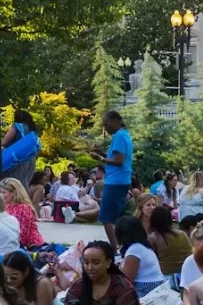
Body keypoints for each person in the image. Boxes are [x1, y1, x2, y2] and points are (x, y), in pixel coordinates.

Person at [61, 241, 139, 305]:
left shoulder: (122, 288)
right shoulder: (78, 287)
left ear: (108, 263)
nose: (90, 268)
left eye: (96, 263)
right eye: (86, 262)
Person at [100, 110, 133, 249]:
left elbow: (119, 160)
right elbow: (117, 158)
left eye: (106, 124)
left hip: (115, 181)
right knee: (118, 217)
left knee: (106, 217)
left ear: (114, 122)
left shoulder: (119, 136)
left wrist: (100, 159)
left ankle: (115, 248)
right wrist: (101, 154)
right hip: (122, 180)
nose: (105, 128)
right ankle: (123, 245)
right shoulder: (125, 135)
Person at [114, 215, 165, 297]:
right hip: (155, 285)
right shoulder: (143, 246)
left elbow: (125, 280)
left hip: (145, 288)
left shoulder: (134, 250)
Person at [148, 205, 192, 275]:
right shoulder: (182, 234)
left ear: (153, 220)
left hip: (166, 276)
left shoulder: (153, 238)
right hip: (186, 273)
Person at [0, 110, 40, 188]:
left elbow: (4, 142)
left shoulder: (17, 126)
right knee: (24, 182)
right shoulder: (32, 129)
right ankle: (25, 199)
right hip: (31, 158)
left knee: (14, 182)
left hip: (18, 158)